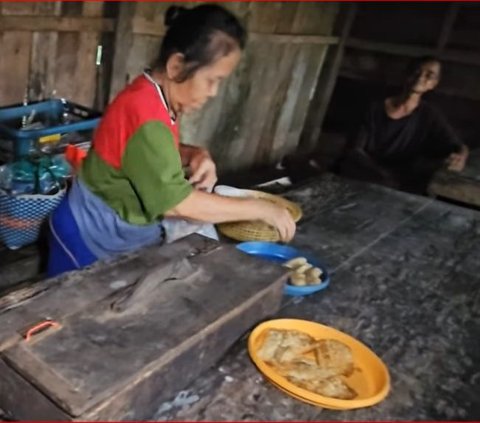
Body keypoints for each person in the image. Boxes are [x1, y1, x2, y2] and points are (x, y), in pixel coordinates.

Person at [47, 4, 296, 277]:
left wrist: (191, 154)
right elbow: (177, 203)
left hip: (115, 232)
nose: (213, 93)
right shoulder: (145, 111)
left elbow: (138, 153)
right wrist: (260, 209)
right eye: (212, 80)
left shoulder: (153, 95)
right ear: (176, 65)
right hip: (87, 237)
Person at [339, 56, 469, 193]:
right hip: (363, 174)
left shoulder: (429, 115)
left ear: (433, 84)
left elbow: (458, 146)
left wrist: (461, 157)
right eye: (416, 72)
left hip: (397, 180)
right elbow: (354, 151)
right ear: (406, 74)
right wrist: (382, 175)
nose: (420, 78)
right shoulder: (373, 108)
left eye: (429, 75)